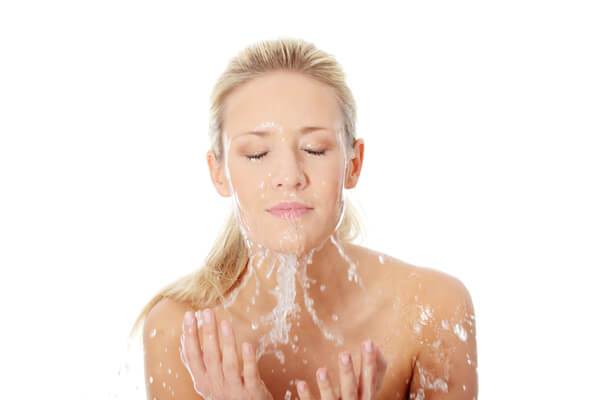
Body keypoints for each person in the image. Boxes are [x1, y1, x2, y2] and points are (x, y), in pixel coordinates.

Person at [131, 37, 478, 400]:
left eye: (315, 149)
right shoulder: (182, 331)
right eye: (256, 153)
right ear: (218, 172)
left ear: (353, 164)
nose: (289, 176)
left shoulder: (429, 309)